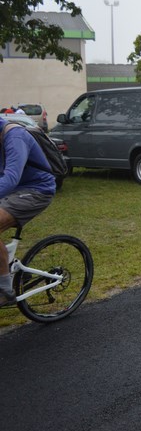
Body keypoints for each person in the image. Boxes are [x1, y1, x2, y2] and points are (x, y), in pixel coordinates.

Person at [0, 115, 57, 306]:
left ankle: (5, 290)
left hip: (37, 190)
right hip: (14, 191)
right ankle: (12, 269)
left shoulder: (14, 137)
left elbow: (10, 179)